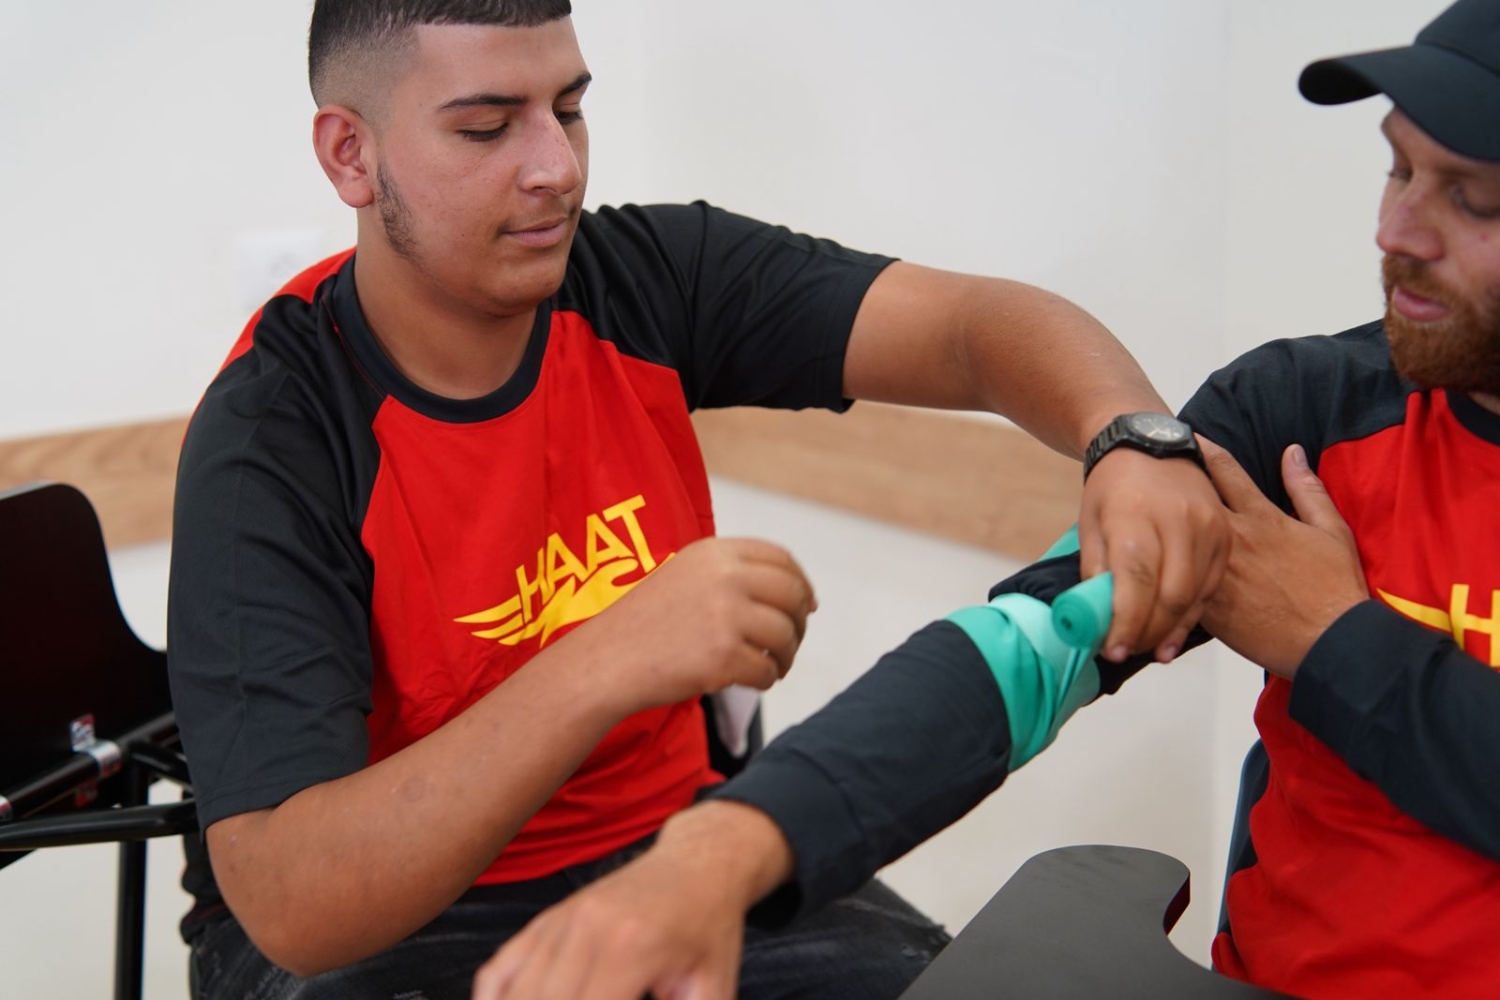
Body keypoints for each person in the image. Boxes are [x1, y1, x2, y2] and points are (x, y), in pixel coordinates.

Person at [167, 2, 1231, 997]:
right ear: (350, 155)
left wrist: (1130, 434)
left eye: (569, 110)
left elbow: (969, 328)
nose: (555, 168)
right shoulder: (272, 435)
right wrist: (612, 656)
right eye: (487, 128)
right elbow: (297, 903)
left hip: (674, 841)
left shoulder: (647, 277)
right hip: (392, 921)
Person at [471, 1, 1500, 998]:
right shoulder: (1306, 418)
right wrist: (721, 850)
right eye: (1397, 168)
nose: (1396, 229)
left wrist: (1334, 643)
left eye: (1470, 199)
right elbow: (1027, 652)